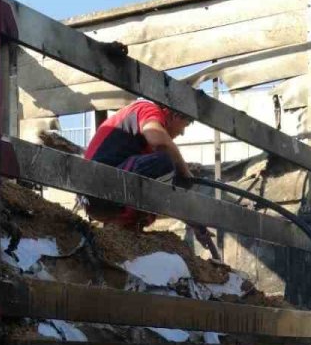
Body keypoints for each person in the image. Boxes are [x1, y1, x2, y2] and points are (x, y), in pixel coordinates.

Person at [83, 101, 213, 248]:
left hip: (99, 194)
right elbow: (159, 140)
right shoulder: (148, 109)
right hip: (101, 188)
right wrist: (184, 170)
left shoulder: (141, 145)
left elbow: (170, 191)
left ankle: (123, 229)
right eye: (185, 125)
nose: (182, 132)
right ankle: (124, 226)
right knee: (164, 162)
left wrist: (196, 224)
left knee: (161, 176)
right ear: (175, 114)